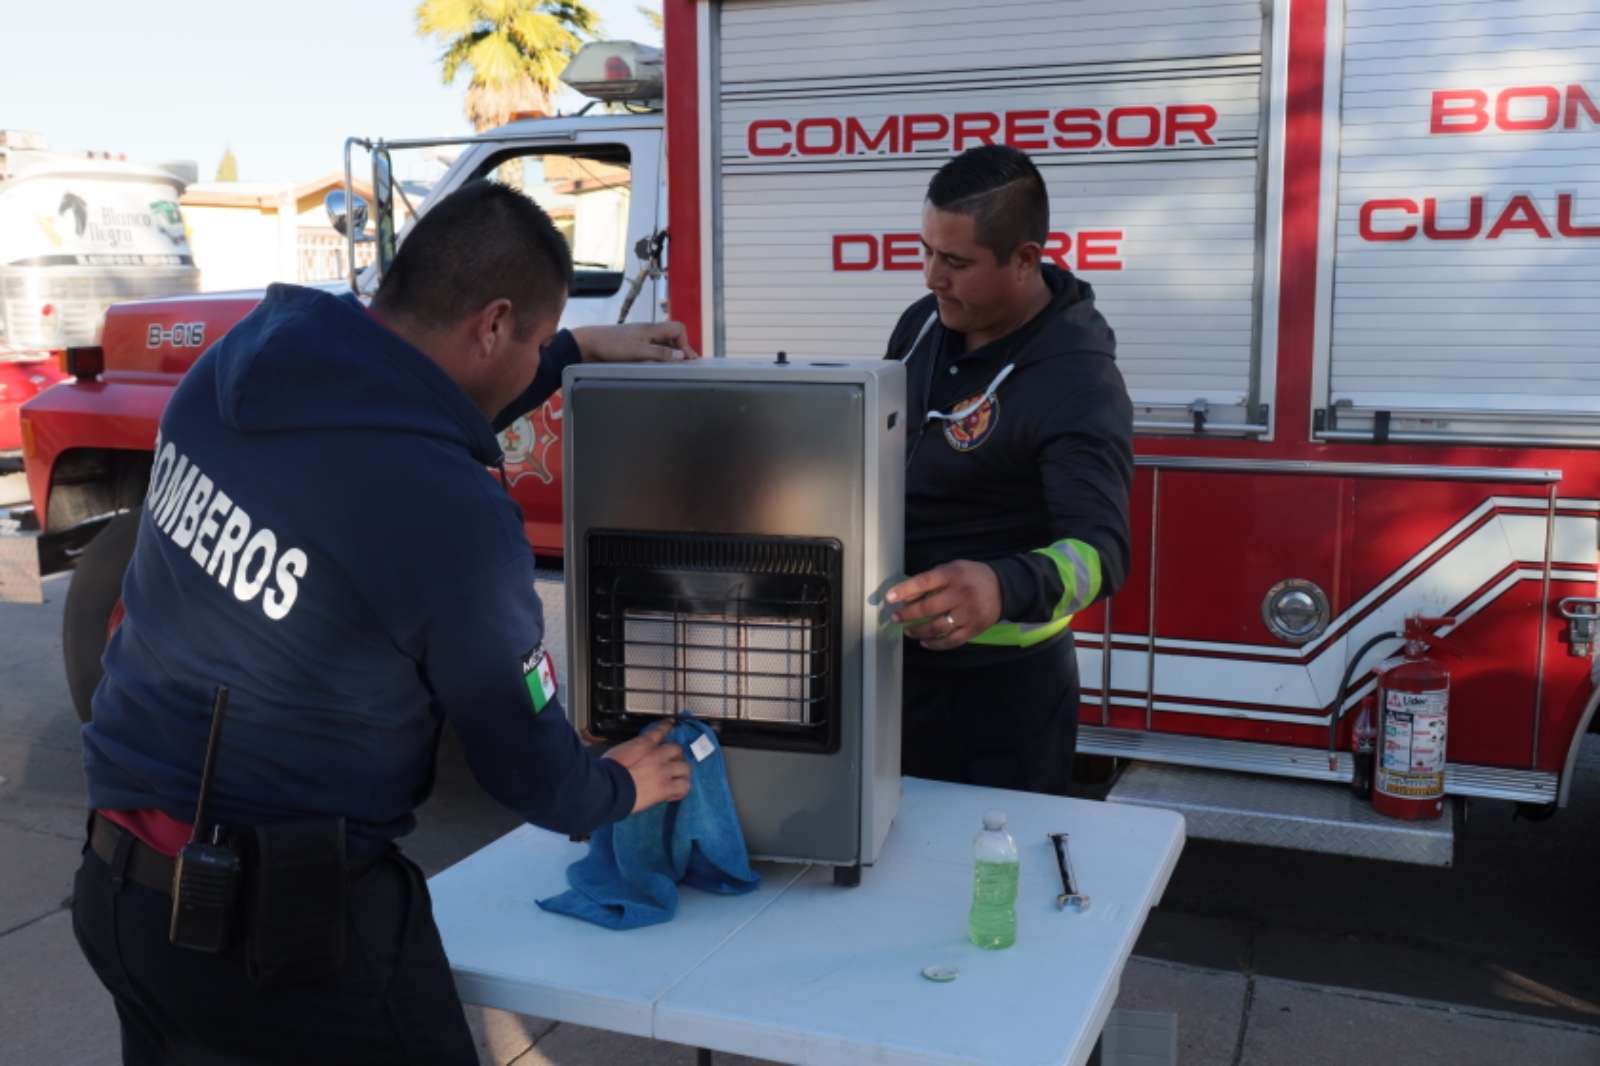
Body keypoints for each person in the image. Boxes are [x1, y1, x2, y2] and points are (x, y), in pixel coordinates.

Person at [71, 180, 699, 1065]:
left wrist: (571, 349)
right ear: (491, 325)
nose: (533, 366)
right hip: (288, 937)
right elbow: (523, 759)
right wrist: (618, 788)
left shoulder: (243, 361)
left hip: (119, 898)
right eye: (528, 343)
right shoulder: (449, 515)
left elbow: (395, 403)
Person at [884, 145, 1134, 796]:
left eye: (957, 262)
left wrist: (1000, 583)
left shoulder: (1078, 380)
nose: (933, 277)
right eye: (928, 251)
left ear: (1024, 260)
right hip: (892, 670)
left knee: (985, 888)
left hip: (1000, 703)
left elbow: (1102, 554)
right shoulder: (923, 325)